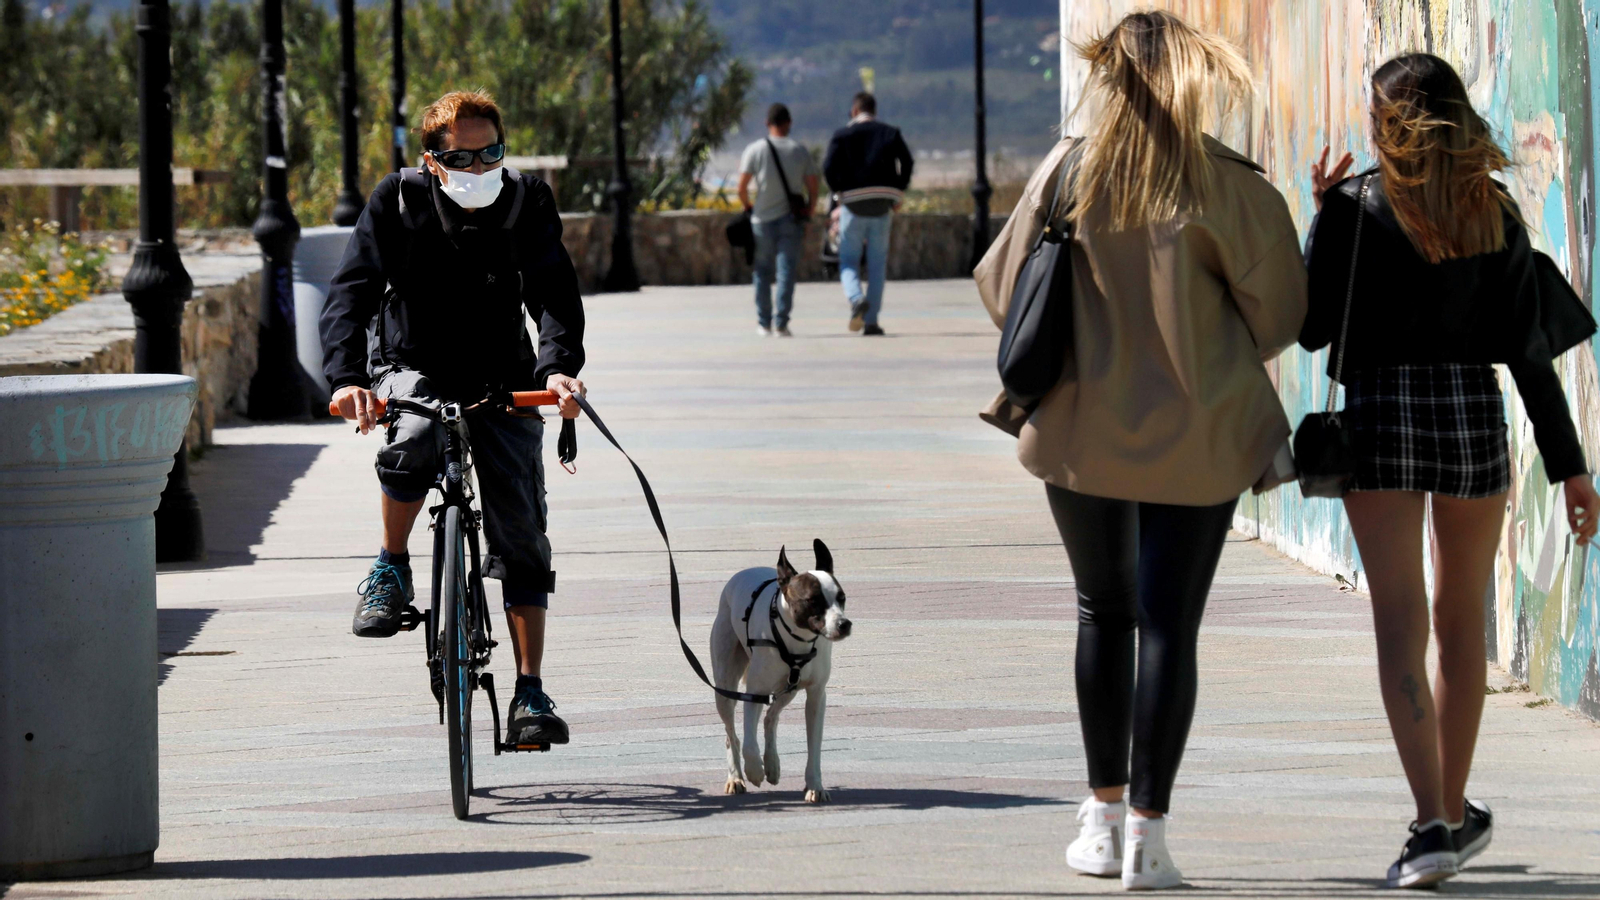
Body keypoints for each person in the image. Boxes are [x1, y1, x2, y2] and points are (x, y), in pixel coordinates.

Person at [975, 12, 1306, 889]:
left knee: (1102, 611)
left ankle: (1101, 818)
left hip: (1080, 432)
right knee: (1169, 624)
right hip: (1201, 435)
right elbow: (1280, 318)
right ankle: (1149, 839)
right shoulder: (1229, 186)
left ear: (1109, 78)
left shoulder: (1068, 170)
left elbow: (1003, 290)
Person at [1302, 54, 1599, 889]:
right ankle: (1453, 811)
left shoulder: (1354, 206)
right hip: (1471, 413)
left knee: (1400, 618)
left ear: (1386, 123)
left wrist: (1321, 217)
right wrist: (1572, 469)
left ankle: (1432, 822)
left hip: (1379, 417)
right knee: (1462, 618)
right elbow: (1530, 353)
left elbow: (1312, 329)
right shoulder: (1490, 207)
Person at [319, 90, 587, 748]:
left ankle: (530, 690)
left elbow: (554, 293)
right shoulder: (399, 199)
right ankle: (391, 565)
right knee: (412, 438)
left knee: (521, 528)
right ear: (432, 160)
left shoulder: (527, 200)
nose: (479, 167)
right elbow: (351, 291)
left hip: (502, 375)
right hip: (411, 363)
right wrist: (348, 379)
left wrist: (557, 369)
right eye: (462, 157)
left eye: (491, 153)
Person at [822, 91, 913, 335]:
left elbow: (828, 168)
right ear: (874, 111)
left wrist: (839, 191)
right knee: (877, 265)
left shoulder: (842, 135)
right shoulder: (890, 133)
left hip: (852, 205)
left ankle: (855, 298)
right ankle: (871, 322)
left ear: (854, 111)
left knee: (848, 260)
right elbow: (907, 162)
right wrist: (898, 190)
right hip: (882, 205)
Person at [738, 103, 819, 337]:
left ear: (767, 123)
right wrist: (810, 209)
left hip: (761, 220)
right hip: (791, 220)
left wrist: (748, 206)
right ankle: (781, 323)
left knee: (762, 271)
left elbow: (742, 187)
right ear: (789, 123)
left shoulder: (755, 149)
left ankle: (764, 323)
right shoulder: (799, 150)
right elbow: (813, 186)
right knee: (786, 271)